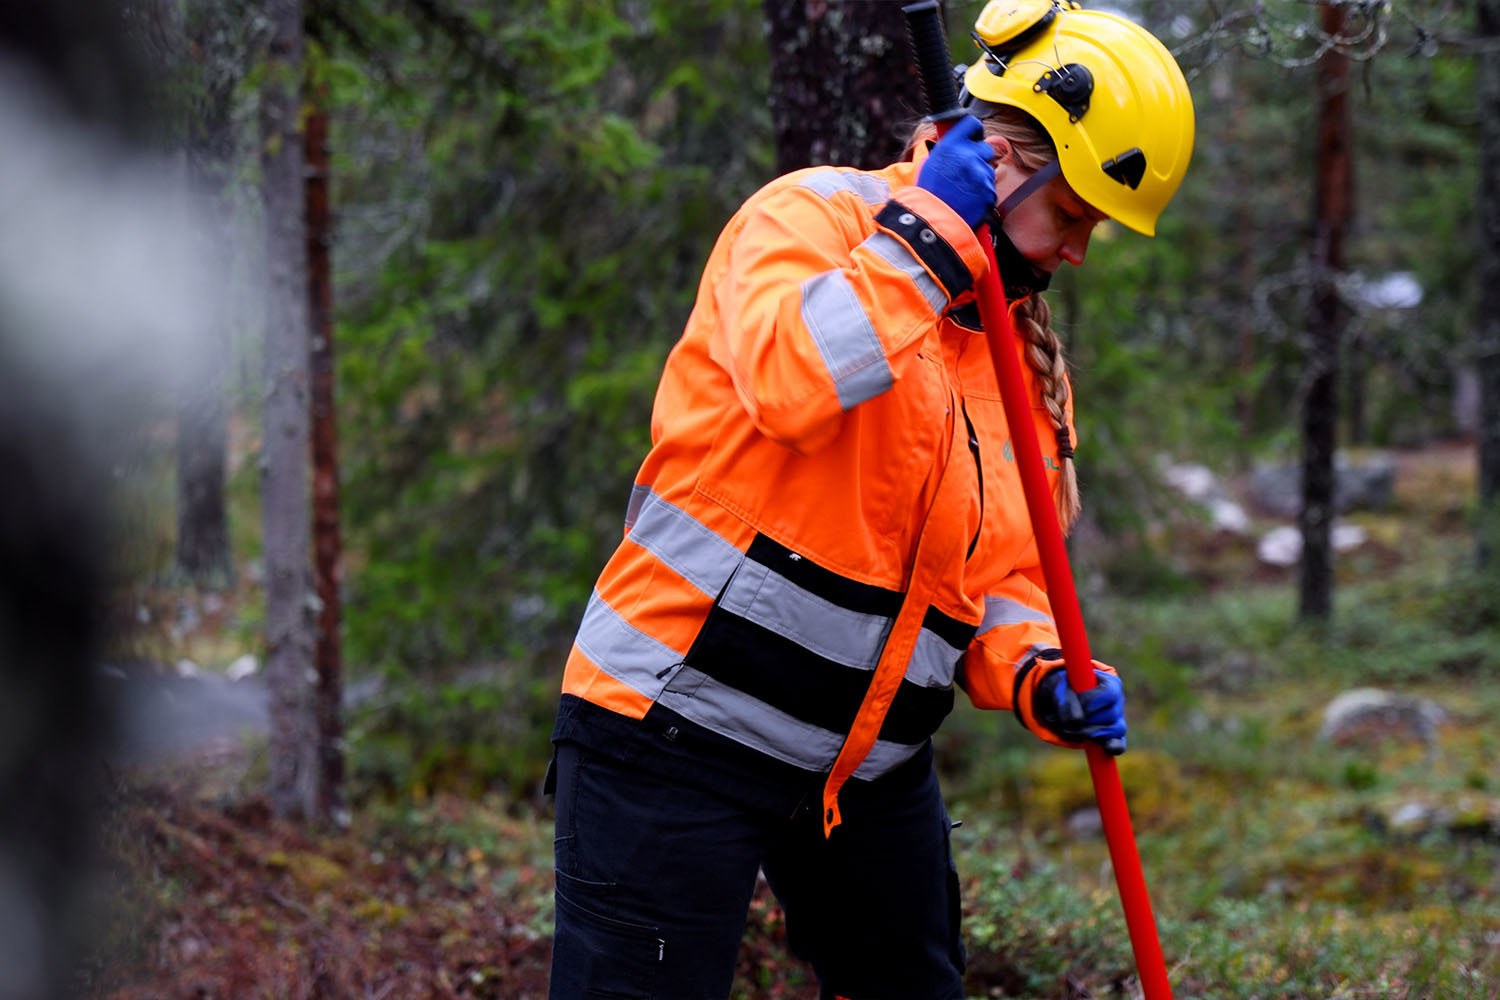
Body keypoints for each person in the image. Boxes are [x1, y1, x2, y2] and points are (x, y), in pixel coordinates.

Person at [545, 2, 1194, 997]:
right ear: (1010, 157)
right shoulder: (812, 219)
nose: (1078, 251)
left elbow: (1005, 573)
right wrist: (925, 244)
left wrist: (1039, 673)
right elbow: (788, 379)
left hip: (862, 773)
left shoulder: (1021, 355)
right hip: (675, 729)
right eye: (1072, 215)